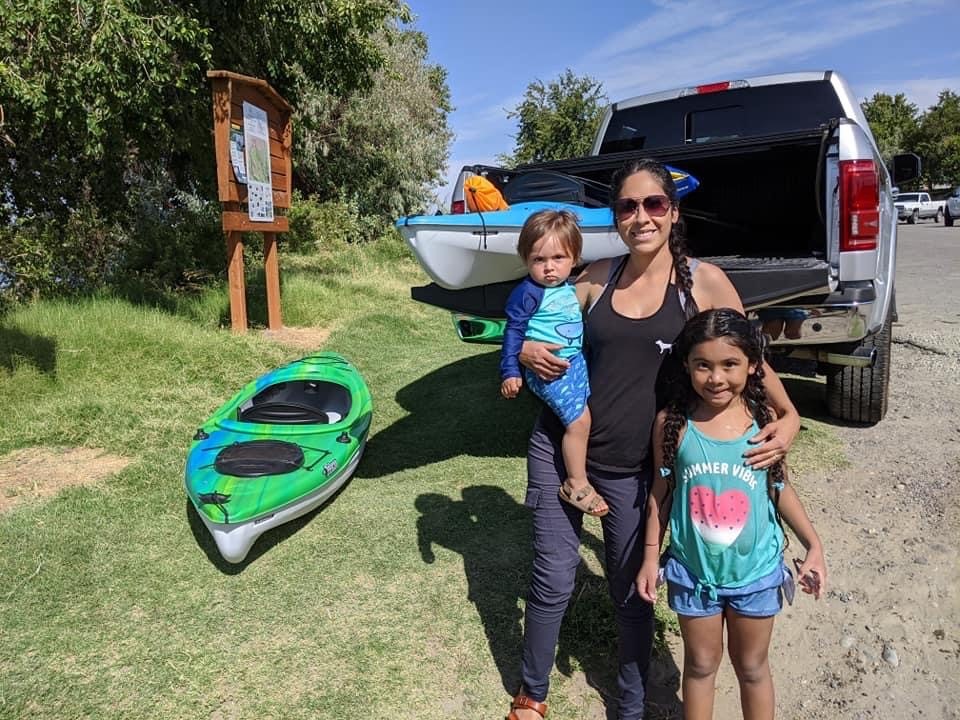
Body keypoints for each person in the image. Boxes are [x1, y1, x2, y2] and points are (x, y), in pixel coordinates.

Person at [507, 158, 801, 720]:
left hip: (636, 469)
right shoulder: (594, 275)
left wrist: (786, 418)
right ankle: (532, 694)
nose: (640, 216)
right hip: (561, 447)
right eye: (627, 206)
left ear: (673, 211)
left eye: (653, 204)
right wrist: (517, 350)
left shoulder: (705, 281)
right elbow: (525, 310)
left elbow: (749, 360)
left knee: (631, 593)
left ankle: (632, 706)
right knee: (553, 575)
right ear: (615, 215)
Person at [636, 308, 826, 719]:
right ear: (686, 365)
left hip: (756, 576)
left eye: (730, 364)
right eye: (702, 365)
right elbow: (661, 495)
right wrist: (651, 557)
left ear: (754, 366)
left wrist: (814, 545)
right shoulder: (673, 424)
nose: (715, 377)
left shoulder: (764, 422)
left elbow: (780, 487)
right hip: (693, 576)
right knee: (701, 667)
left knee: (753, 668)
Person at [500, 209, 607, 517]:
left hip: (573, 364)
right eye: (538, 260)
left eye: (558, 258)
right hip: (549, 372)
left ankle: (578, 464)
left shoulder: (566, 288)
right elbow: (513, 333)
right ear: (526, 260)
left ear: (574, 258)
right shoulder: (527, 293)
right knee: (579, 421)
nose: (549, 268)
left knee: (584, 415)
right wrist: (510, 370)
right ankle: (576, 482)